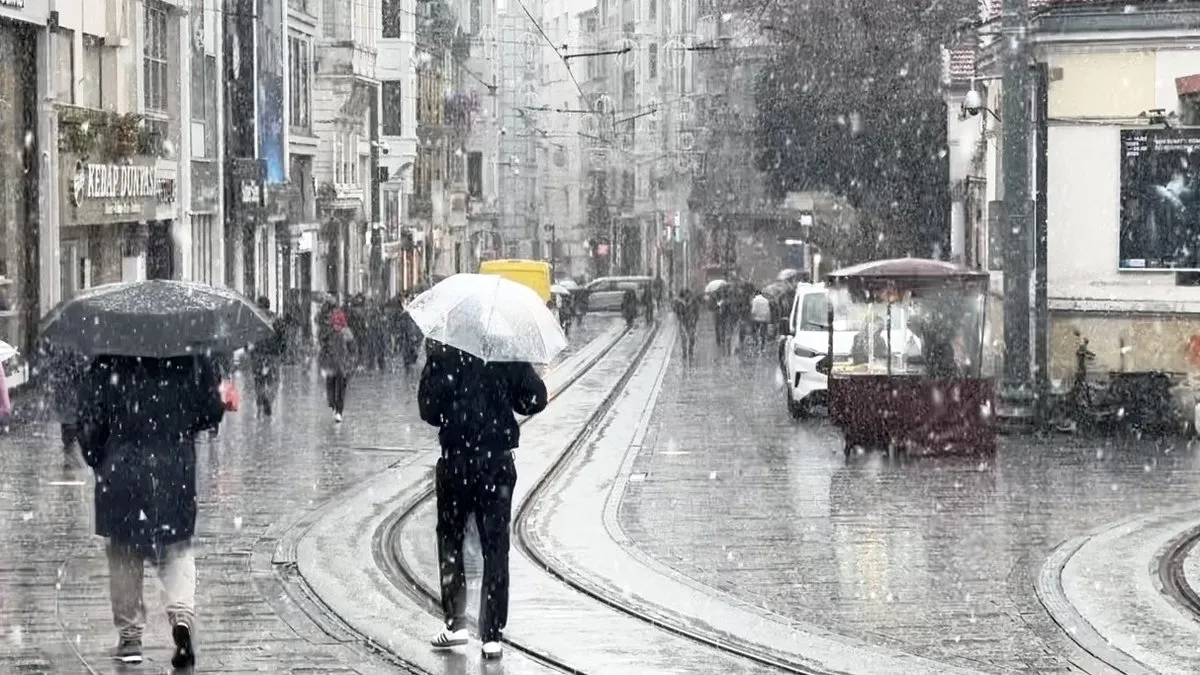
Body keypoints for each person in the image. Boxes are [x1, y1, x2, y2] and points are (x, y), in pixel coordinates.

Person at [77, 354, 224, 668]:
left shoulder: (108, 359)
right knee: (176, 546)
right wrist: (183, 423)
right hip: (173, 466)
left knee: (124, 549)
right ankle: (182, 621)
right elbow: (212, 410)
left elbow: (88, 418)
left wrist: (98, 457)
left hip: (121, 466)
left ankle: (130, 636)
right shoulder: (191, 356)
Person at [419, 340, 548, 660]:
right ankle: (491, 636)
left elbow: (428, 410)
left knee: (451, 539)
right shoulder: (506, 349)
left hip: (456, 461)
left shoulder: (444, 350)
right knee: (495, 546)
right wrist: (508, 386)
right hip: (496, 463)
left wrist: (441, 375)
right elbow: (535, 400)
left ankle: (456, 623)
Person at [320, 308, 357, 423]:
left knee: (340, 391)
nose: (336, 326)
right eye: (334, 324)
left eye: (338, 324)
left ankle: (339, 411)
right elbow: (323, 351)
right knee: (330, 390)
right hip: (331, 367)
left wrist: (350, 365)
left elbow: (353, 352)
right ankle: (333, 406)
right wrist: (323, 364)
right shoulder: (328, 336)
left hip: (342, 367)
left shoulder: (347, 336)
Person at [250, 297, 286, 417]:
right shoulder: (275, 319)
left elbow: (248, 336)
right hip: (273, 355)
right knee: (274, 381)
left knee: (258, 381)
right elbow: (283, 337)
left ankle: (259, 406)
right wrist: (281, 351)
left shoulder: (254, 318)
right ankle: (268, 399)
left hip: (258, 354)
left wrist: (250, 351)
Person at [673, 290, 700, 361]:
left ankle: (690, 351)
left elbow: (697, 312)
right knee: (683, 338)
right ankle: (684, 352)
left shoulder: (694, 302)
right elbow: (676, 311)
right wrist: (680, 317)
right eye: (686, 295)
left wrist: (695, 320)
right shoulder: (680, 303)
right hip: (683, 322)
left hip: (691, 322)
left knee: (692, 338)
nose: (687, 296)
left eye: (688, 295)